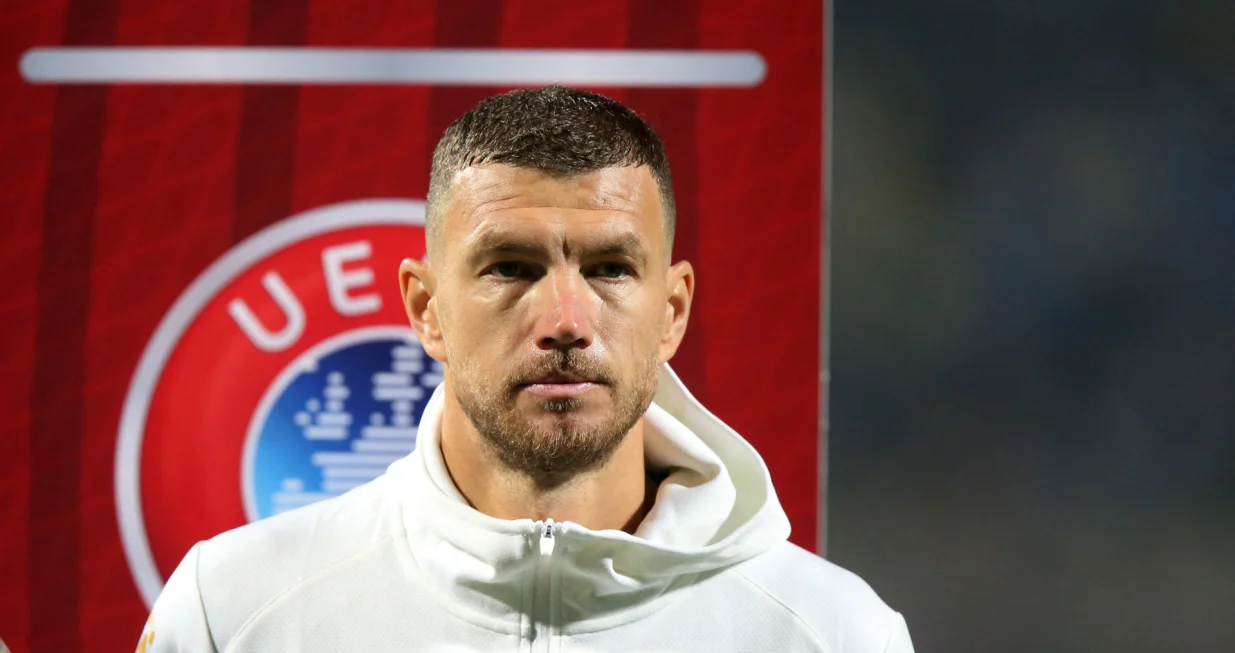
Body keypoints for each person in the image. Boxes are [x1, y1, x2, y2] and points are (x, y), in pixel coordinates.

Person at [142, 86, 914, 652]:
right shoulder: (233, 609)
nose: (566, 323)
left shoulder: (834, 632)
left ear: (672, 310)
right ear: (425, 308)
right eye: (510, 266)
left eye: (610, 268)